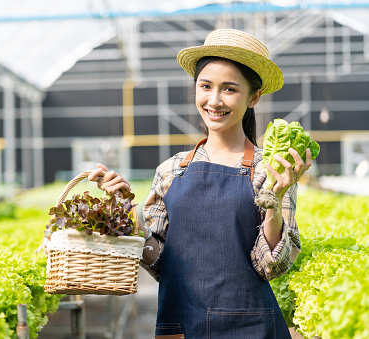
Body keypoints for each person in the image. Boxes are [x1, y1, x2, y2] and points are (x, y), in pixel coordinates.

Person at [89, 29, 311, 339]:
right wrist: (126, 215)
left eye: (229, 89)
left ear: (254, 97)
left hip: (251, 330)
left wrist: (277, 195)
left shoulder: (269, 171)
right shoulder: (170, 171)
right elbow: (160, 263)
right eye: (205, 86)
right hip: (181, 327)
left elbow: (269, 267)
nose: (214, 100)